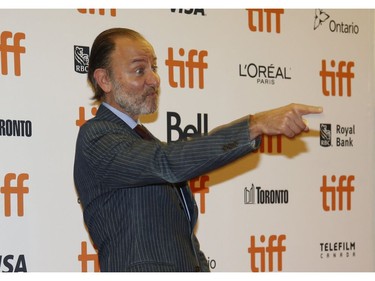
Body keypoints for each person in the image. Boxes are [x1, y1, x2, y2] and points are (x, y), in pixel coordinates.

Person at [73, 27, 323, 272]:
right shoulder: (97, 136)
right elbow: (167, 163)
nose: (154, 79)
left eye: (154, 68)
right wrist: (254, 125)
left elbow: (184, 242)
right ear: (104, 80)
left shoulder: (143, 140)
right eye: (139, 70)